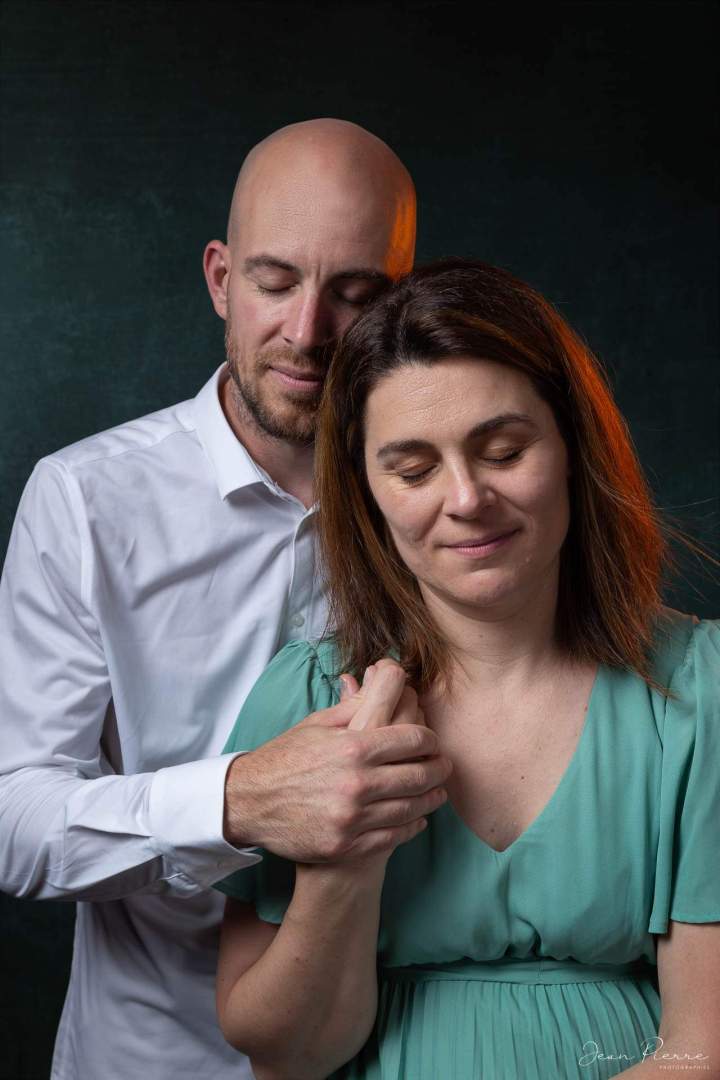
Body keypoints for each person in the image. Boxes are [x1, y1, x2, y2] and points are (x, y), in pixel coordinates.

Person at [0, 120, 452, 1080]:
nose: (307, 333)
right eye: (275, 281)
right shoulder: (85, 503)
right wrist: (239, 801)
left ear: (403, 299)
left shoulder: (450, 505)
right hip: (151, 1060)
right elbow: (13, 818)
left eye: (355, 293)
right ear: (220, 279)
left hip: (401, 1050)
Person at [213, 259, 720, 1079]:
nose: (466, 499)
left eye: (504, 450)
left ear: (571, 446)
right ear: (367, 490)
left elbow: (705, 1051)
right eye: (412, 470)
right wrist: (351, 856)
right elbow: (289, 1056)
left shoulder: (699, 690)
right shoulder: (306, 697)